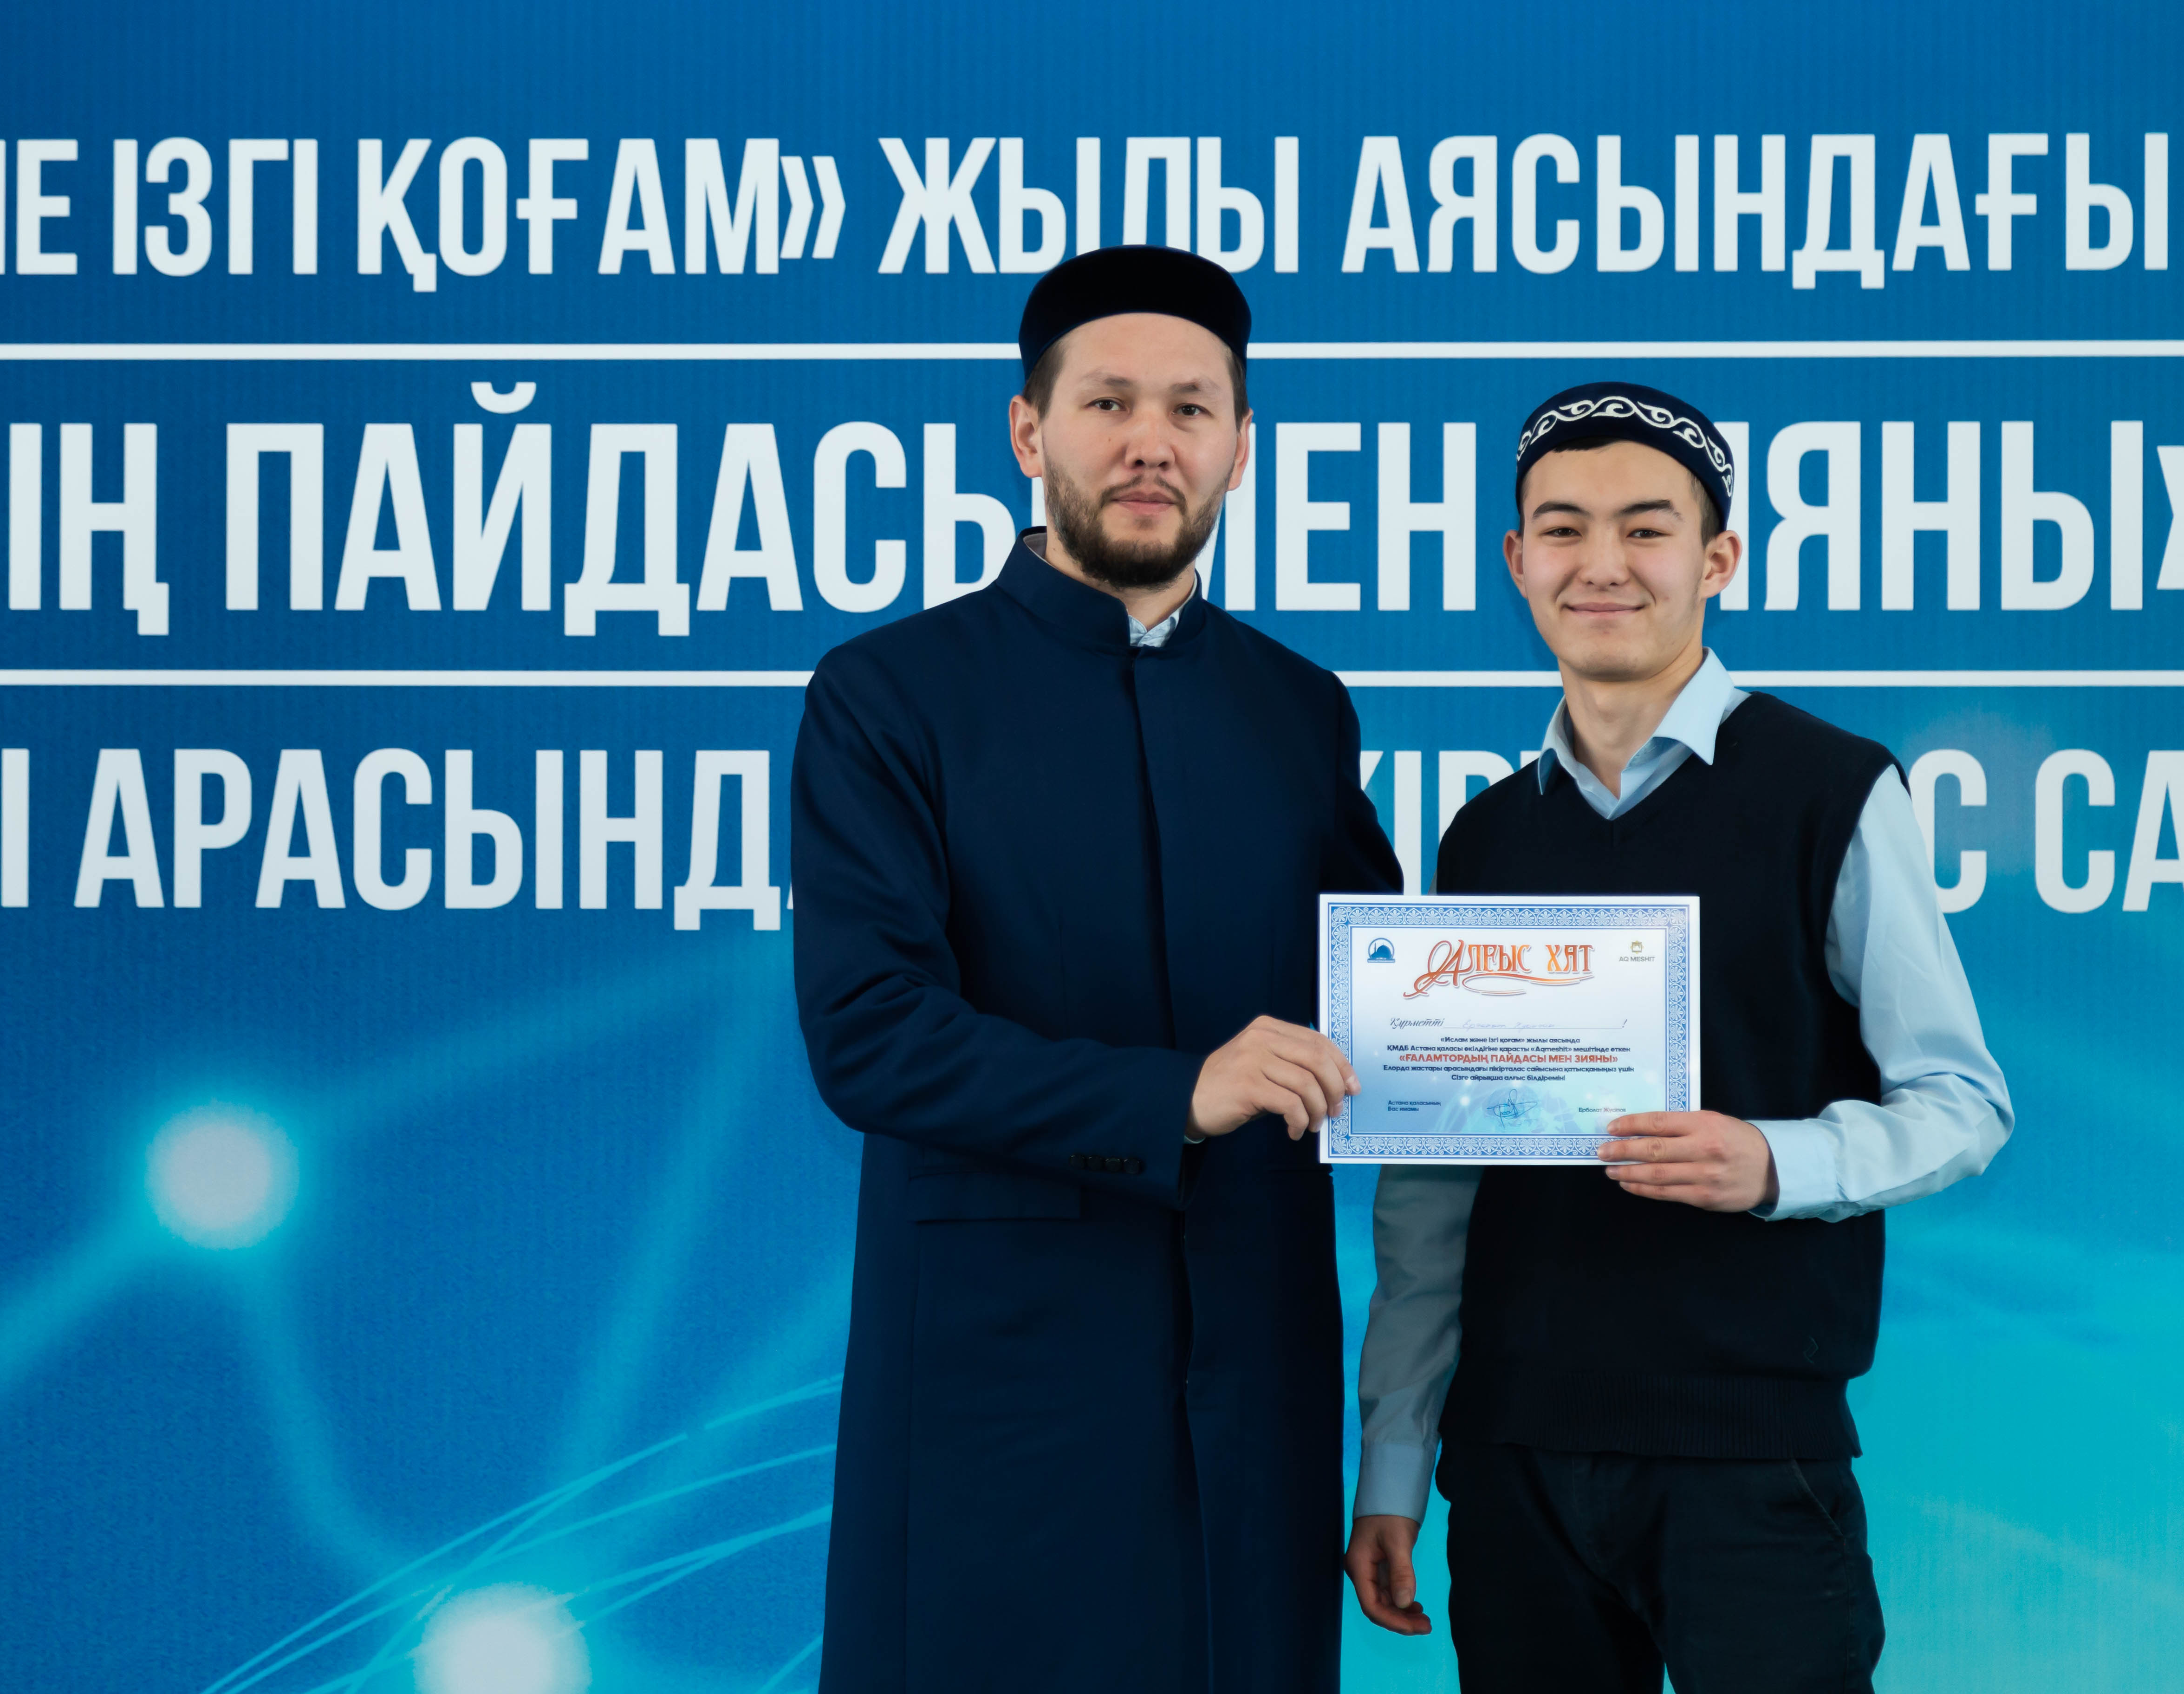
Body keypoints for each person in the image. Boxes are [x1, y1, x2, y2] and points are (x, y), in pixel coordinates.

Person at [792, 245, 1400, 1694]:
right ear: (1029, 431)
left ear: (1241, 446)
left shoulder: (1298, 709)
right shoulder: (889, 696)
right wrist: (1178, 1094)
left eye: (1192, 409)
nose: (1150, 443)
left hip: (1254, 1364)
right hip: (1001, 1383)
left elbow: (1379, 1000)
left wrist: (1569, 1036)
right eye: (1108, 403)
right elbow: (872, 1032)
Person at [1342, 382, 2014, 1692]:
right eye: (1563, 529)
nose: (1602, 564)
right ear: (1516, 561)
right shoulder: (1485, 837)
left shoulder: (1831, 791)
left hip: (1749, 1466)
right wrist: (1396, 1464)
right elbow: (1433, 1187)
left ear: (1718, 561)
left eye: (1646, 529)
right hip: (1514, 1466)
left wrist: (1775, 1162)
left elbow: (1961, 1100)